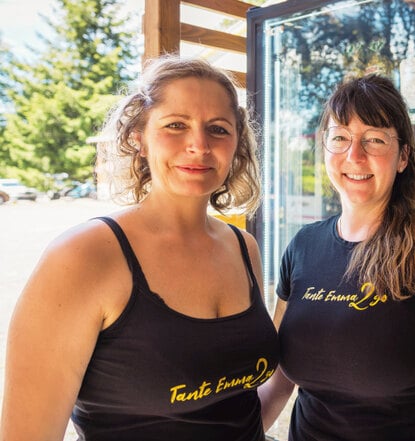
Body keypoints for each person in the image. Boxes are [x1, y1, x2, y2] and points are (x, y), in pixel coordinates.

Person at [0, 56, 279, 440]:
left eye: (217, 129)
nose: (198, 145)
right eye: (175, 125)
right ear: (139, 138)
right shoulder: (84, 256)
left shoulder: (243, 247)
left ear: (236, 145)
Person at [258, 74, 415, 441]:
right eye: (340, 138)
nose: (354, 155)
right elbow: (277, 384)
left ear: (402, 156)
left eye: (374, 139)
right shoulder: (303, 246)